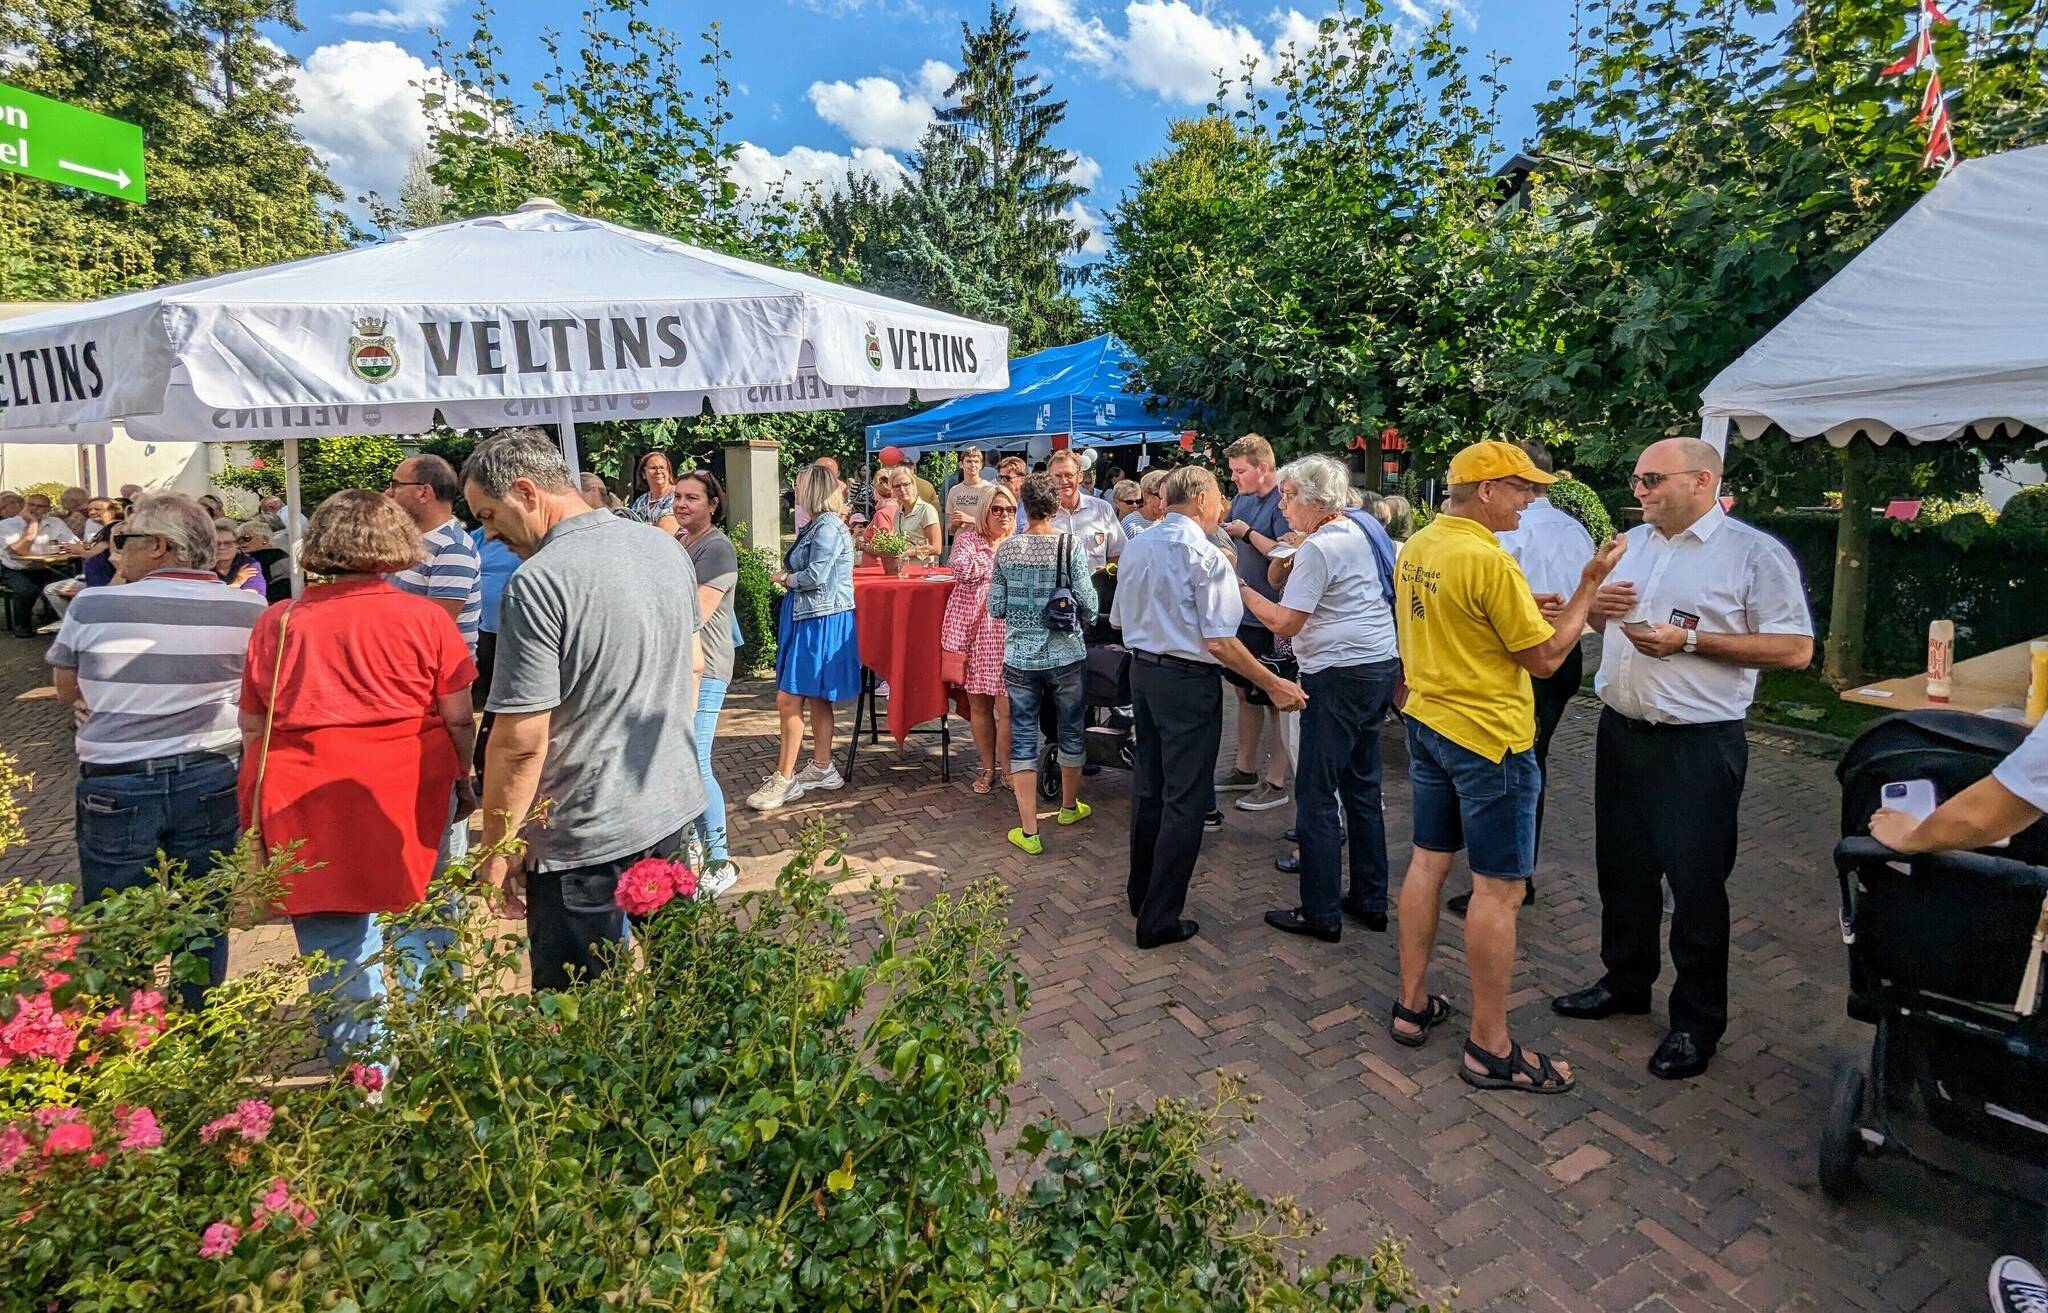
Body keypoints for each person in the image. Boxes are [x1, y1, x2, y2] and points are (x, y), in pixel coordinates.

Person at [1550, 436, 1812, 1080]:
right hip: (1621, 731)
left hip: (1697, 745)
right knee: (1622, 870)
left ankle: (1696, 1022)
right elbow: (1592, 623)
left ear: (1700, 481)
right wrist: (1596, 611)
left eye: (1651, 479)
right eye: (1636, 479)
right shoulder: (1631, 546)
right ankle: (1625, 982)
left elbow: (1796, 650)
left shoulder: (1754, 554)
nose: (1638, 490)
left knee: (1695, 887)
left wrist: (1690, 640)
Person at [1390, 440, 1623, 1095]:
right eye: (1522, 487)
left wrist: (1532, 607)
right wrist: (1588, 585)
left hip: (1430, 721)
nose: (1530, 499)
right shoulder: (1487, 559)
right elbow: (1547, 658)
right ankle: (1490, 1045)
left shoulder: (1422, 544)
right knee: (1499, 890)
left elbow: (1459, 620)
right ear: (1487, 489)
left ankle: (1412, 1003)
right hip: (1489, 739)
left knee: (1428, 861)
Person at [238, 490, 477, 1064]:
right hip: (410, 788)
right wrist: (465, 776)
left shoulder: (280, 620)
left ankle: (364, 1074)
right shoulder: (424, 618)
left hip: (304, 795)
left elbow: (253, 724)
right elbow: (459, 716)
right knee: (426, 917)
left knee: (334, 937)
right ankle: (441, 1055)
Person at [462, 428, 705, 991]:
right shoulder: (664, 546)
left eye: (491, 516)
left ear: (526, 491)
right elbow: (693, 663)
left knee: (580, 1016)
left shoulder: (539, 581)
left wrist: (498, 849)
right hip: (667, 810)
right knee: (687, 989)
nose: (490, 535)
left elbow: (520, 741)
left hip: (582, 839)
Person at [48, 495, 265, 1008]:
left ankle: (124, 1026)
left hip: (116, 778)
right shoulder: (249, 608)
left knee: (117, 917)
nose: (116, 551)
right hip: (210, 771)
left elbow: (64, 688)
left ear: (159, 546)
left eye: (124, 540)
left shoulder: (94, 603)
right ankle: (195, 1020)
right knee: (204, 910)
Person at [1111, 466, 1307, 949]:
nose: (1223, 507)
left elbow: (1120, 618)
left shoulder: (1138, 543)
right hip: (1186, 680)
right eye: (1220, 497)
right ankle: (1158, 916)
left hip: (1145, 671)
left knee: (1151, 787)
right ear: (1201, 499)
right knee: (1184, 798)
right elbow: (1220, 641)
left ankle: (1144, 893)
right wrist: (1272, 681)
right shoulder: (1207, 554)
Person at [1236, 455, 1401, 942]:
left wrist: (1240, 586)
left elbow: (1285, 622)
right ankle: (1370, 897)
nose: (1282, 505)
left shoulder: (1321, 547)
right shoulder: (1361, 530)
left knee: (1316, 791)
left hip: (1337, 674)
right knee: (1362, 787)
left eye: (1288, 496)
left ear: (1312, 499)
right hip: (1376, 665)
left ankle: (1321, 908)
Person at [1445, 441, 1594, 919]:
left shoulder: (1501, 529)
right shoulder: (1574, 529)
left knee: (1509, 763)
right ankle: (1514, 868)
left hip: (1521, 655)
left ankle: (1506, 873)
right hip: (1564, 652)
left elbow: (1486, 597)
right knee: (1533, 759)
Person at [385, 453, 484, 889]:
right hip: (411, 691)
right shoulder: (408, 547)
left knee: (445, 798)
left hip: (439, 692)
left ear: (424, 492)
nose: (388, 493)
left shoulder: (453, 550)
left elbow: (432, 629)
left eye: (396, 484)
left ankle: (445, 888)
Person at [989, 473, 1097, 855]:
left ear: (1023, 505)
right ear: (1054, 506)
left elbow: (996, 607)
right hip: (1066, 653)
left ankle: (1029, 830)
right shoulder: (1070, 545)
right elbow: (1089, 602)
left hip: (1019, 656)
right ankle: (1068, 808)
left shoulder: (1006, 549)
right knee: (1070, 728)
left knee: (1021, 736)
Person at [749, 463, 856, 810]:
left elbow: (816, 576)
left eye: (798, 485)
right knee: (816, 695)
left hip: (818, 619)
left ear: (810, 489)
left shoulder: (825, 527)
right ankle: (823, 767)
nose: (793, 490)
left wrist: (784, 579)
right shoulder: (822, 524)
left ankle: (785, 778)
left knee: (789, 698)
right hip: (817, 617)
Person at [1214, 435, 1294, 814]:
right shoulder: (1243, 498)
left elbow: (1287, 553)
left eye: (1240, 471)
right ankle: (1245, 767)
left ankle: (1276, 779)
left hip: (1273, 616)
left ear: (1264, 467)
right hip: (1243, 612)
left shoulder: (1284, 500)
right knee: (1245, 692)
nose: (1235, 479)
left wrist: (1247, 533)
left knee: (1277, 695)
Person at [674, 469, 741, 894]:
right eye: (678, 497)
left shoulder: (717, 548)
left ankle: (721, 861)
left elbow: (695, 610)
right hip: (683, 667)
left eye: (692, 498)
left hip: (709, 667)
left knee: (697, 763)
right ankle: (694, 851)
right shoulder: (682, 542)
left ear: (713, 504)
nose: (681, 504)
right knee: (684, 763)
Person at [942, 485, 1016, 797]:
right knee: (979, 706)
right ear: (984, 511)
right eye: (997, 509)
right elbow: (961, 569)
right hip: (974, 635)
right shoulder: (968, 539)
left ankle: (1009, 769)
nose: (1003, 515)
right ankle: (987, 767)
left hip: (1008, 635)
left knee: (1008, 708)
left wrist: (990, 564)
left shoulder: (1019, 543)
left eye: (1010, 510)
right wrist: (996, 563)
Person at [468, 521, 521, 781]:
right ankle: (484, 770)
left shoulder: (525, 536)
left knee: (509, 705)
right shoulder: (478, 537)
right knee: (491, 702)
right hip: (486, 633)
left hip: (520, 635)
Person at [1, 492, 79, 636]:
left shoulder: (55, 523)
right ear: (25, 505)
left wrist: (63, 550)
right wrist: (32, 525)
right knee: (27, 590)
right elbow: (18, 551)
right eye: (31, 505)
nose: (34, 509)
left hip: (46, 566)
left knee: (70, 583)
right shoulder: (7, 525)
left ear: (47, 509)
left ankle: (61, 620)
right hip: (15, 569)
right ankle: (22, 626)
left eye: (40, 506)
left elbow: (74, 544)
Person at [1044, 449, 1124, 575]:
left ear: (1080, 476)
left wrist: (1107, 572)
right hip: (1056, 592)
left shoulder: (1102, 509)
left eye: (1069, 475)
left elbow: (1119, 553)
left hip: (1096, 591)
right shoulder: (1043, 514)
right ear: (1049, 478)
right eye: (1058, 476)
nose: (1064, 481)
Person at [45, 499, 123, 618]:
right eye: (90, 509)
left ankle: (74, 623)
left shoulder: (113, 528)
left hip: (104, 582)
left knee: (51, 590)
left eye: (97, 509)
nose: (92, 512)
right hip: (96, 579)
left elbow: (92, 554)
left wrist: (77, 549)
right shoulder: (107, 528)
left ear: (112, 511)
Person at [884, 466, 941, 560]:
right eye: (897, 486)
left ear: (913, 485)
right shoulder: (898, 513)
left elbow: (936, 548)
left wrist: (910, 553)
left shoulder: (926, 510)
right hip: (904, 569)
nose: (902, 489)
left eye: (906, 484)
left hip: (924, 569)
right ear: (892, 489)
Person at [235, 520, 294, 603]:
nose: (241, 543)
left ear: (265, 539)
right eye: (237, 540)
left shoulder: (259, 558)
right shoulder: (284, 555)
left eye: (246, 538)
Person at [627, 450, 681, 533]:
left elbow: (666, 533)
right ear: (644, 474)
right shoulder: (641, 501)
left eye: (662, 467)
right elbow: (629, 528)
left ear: (669, 472)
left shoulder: (678, 496)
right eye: (653, 468)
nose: (658, 471)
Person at [942, 448, 991, 538]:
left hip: (983, 544)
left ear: (981, 465)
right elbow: (949, 527)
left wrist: (969, 519)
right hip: (960, 545)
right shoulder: (954, 490)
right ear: (961, 464)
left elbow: (994, 523)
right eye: (968, 461)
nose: (972, 465)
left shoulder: (990, 489)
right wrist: (955, 523)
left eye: (976, 462)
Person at [211, 518, 267, 595]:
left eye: (228, 543)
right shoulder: (202, 566)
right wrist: (236, 583)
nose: (222, 547)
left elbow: (253, 595)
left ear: (237, 545)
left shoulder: (249, 564)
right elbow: (202, 595)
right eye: (217, 543)